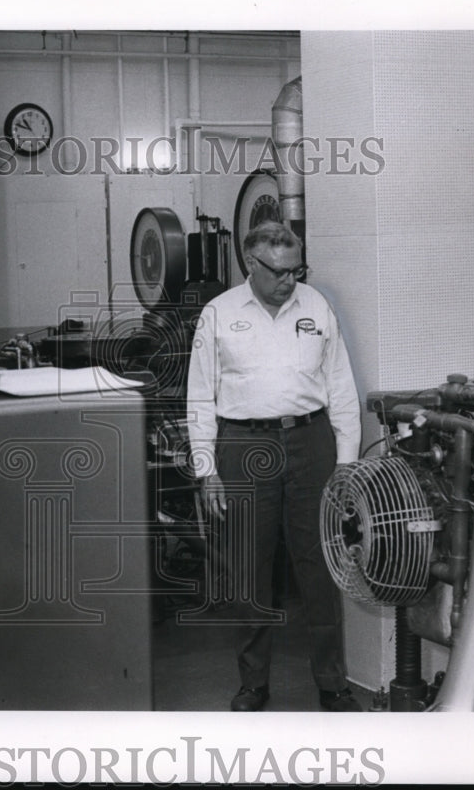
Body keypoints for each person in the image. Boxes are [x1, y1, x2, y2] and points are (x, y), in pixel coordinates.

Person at [186, 220, 361, 712]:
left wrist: (345, 465)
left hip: (311, 440)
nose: (289, 280)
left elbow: (341, 387)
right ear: (251, 264)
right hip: (242, 447)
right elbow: (199, 395)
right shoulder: (217, 314)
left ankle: (333, 683)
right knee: (249, 570)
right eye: (280, 272)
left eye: (296, 270)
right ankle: (253, 683)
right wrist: (207, 470)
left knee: (320, 567)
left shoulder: (317, 306)